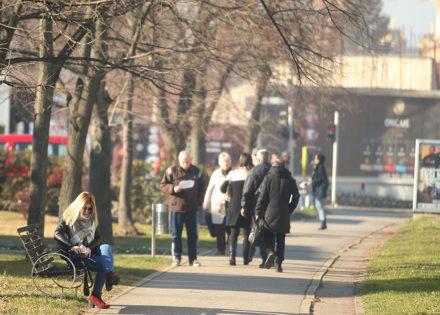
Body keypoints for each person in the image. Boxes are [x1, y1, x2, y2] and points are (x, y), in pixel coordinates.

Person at [54, 192, 119, 309]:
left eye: (90, 209)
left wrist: (89, 247)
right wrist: (71, 246)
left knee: (106, 247)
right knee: (104, 264)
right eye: (84, 208)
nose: (87, 211)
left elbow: (98, 238)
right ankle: (96, 295)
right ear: (79, 206)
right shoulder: (69, 217)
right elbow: (57, 233)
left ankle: (109, 275)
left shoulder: (92, 219)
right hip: (75, 254)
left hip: (88, 252)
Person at [160, 151, 204, 267]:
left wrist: (199, 201)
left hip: (192, 208)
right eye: (184, 161)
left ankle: (193, 259)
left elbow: (202, 187)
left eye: (188, 161)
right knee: (176, 234)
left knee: (192, 235)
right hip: (177, 208)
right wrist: (173, 189)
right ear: (179, 160)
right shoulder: (172, 171)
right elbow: (163, 185)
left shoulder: (196, 171)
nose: (186, 163)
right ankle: (176, 257)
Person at [255, 158, 299, 272]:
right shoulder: (290, 179)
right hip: (284, 212)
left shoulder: (268, 177)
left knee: (267, 235)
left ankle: (270, 252)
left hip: (269, 212)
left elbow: (262, 196)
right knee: (281, 238)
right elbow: (296, 196)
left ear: (272, 166)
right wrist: (290, 208)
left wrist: (257, 211)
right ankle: (278, 264)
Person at [221, 153, 253, 265]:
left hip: (234, 207)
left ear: (240, 161)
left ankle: (231, 256)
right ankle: (245, 257)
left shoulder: (233, 173)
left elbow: (222, 188)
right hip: (247, 207)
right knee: (246, 234)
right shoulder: (251, 174)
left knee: (233, 234)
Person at [241, 149, 271, 268]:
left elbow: (247, 190)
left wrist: (244, 206)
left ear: (258, 159)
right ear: (267, 158)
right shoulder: (273, 171)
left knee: (260, 232)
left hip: (257, 206)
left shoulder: (254, 171)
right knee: (270, 232)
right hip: (272, 206)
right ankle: (271, 255)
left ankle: (265, 258)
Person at [203, 152, 232, 255]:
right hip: (217, 205)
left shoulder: (234, 173)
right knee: (219, 229)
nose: (226, 163)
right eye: (224, 161)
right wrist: (206, 205)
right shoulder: (215, 174)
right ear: (220, 163)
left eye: (228, 161)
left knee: (229, 228)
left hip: (230, 205)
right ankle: (221, 249)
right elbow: (209, 190)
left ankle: (230, 246)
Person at [310, 153, 329, 230]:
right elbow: (316, 177)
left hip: (320, 190)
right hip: (318, 189)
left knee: (320, 206)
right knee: (319, 206)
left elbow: (320, 179)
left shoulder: (320, 167)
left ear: (319, 160)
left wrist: (312, 182)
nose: (314, 160)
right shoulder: (317, 167)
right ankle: (323, 221)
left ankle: (323, 223)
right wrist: (310, 181)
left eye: (316, 159)